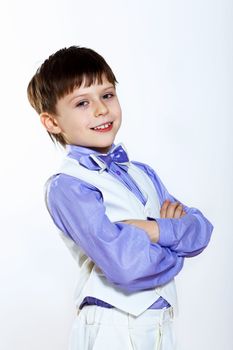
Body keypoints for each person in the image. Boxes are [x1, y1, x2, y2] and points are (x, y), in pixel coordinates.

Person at [27, 46, 213, 350]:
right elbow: (125, 266)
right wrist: (176, 241)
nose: (101, 110)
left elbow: (202, 230)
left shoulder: (143, 173)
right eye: (82, 103)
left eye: (107, 95)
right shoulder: (69, 186)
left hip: (162, 323)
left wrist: (151, 230)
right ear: (52, 122)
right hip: (111, 325)